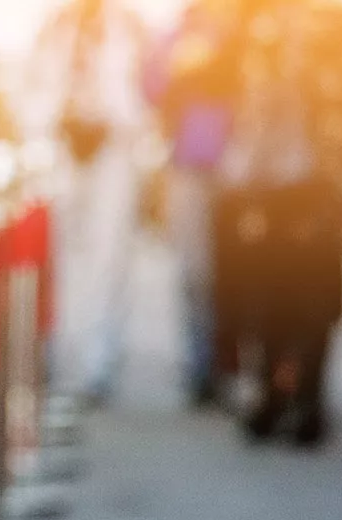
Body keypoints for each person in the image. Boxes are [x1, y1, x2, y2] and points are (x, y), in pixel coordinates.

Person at [219, 3, 342, 447]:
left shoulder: (328, 44)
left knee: (314, 308)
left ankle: (307, 400)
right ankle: (274, 395)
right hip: (272, 195)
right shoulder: (263, 44)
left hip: (311, 196)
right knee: (269, 305)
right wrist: (246, 197)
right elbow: (252, 129)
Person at [24, 0, 150, 404]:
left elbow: (147, 91)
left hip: (112, 145)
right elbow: (32, 85)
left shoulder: (129, 25)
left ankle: (100, 361)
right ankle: (54, 355)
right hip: (63, 144)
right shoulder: (56, 24)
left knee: (108, 257)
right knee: (54, 256)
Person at [147, 0, 241, 407]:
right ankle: (202, 365)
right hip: (187, 168)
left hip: (241, 173)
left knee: (236, 276)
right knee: (194, 272)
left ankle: (235, 364)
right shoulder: (174, 36)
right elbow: (150, 88)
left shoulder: (243, 32)